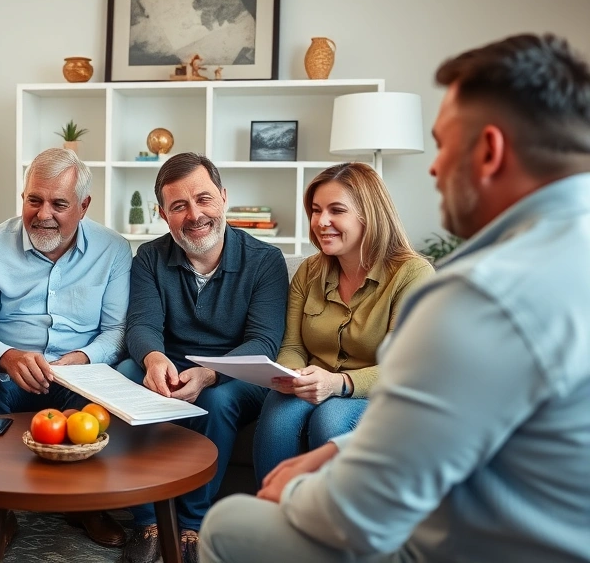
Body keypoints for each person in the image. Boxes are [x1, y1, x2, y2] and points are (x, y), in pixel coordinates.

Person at [199, 33, 590, 563]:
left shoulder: (480, 294)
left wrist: (288, 496)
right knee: (288, 415)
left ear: (491, 151)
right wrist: (337, 452)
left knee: (229, 523)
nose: (432, 167)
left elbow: (365, 511)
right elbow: (451, 421)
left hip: (466, 541)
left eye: (444, 144)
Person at [0, 147, 133, 548]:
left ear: (84, 206)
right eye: (34, 200)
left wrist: (85, 358)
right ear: (23, 197)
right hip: (7, 372)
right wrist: (8, 356)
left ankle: (86, 504)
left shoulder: (113, 249)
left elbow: (117, 330)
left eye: (59, 203)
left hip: (78, 374)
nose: (43, 213)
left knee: (113, 383)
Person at [116, 152, 289, 563]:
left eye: (204, 199)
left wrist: (209, 373)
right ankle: (147, 521)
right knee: (125, 373)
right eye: (179, 206)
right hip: (169, 364)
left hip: (235, 374)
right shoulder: (149, 258)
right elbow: (141, 325)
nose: (194, 215)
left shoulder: (266, 261)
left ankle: (193, 524)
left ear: (224, 198)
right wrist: (154, 360)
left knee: (217, 400)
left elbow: (264, 341)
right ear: (163, 214)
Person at [251, 163, 434, 486]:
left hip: (375, 392)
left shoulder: (412, 275)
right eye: (316, 210)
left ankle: (328, 528)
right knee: (278, 415)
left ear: (370, 215)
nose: (321, 222)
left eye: (336, 211)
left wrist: (339, 384)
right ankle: (270, 520)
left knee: (330, 419)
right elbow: (292, 346)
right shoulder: (309, 272)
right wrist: (290, 375)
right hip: (313, 384)